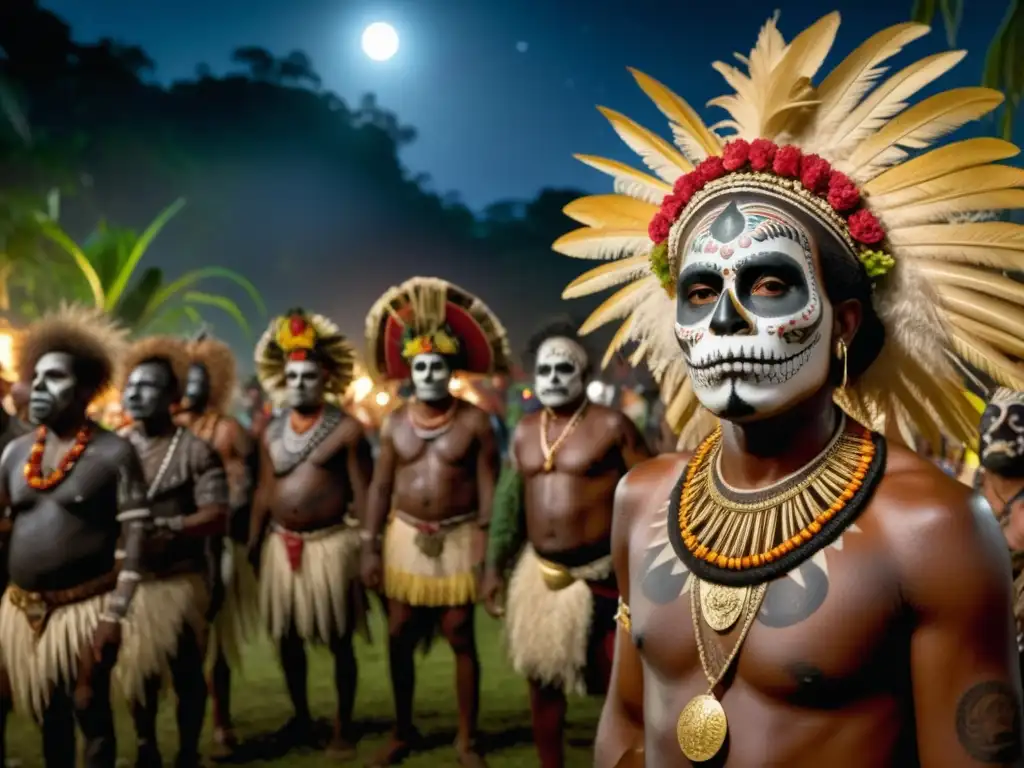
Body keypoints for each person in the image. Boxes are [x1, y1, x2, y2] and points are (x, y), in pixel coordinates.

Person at [551, 12, 1024, 766]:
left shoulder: (933, 526)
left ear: (841, 323)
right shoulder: (640, 500)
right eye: (701, 291)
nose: (728, 322)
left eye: (770, 285)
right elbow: (629, 727)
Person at [481, 318, 650, 768]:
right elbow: (507, 506)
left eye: (564, 369)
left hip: (606, 579)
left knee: (624, 684)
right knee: (543, 682)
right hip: (543, 578)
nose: (553, 378)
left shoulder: (612, 426)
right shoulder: (523, 430)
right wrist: (494, 566)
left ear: (585, 375)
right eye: (545, 370)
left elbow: (651, 492)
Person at [361, 276, 510, 767]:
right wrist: (368, 545)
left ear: (450, 371)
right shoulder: (394, 423)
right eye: (420, 365)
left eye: (437, 366)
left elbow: (490, 487)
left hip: (461, 535)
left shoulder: (474, 422)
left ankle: (467, 738)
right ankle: (402, 730)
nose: (427, 373)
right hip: (403, 536)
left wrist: (490, 559)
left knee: (460, 634)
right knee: (399, 632)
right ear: (409, 370)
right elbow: (381, 488)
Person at [0, 306, 150, 768]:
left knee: (88, 705)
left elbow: (136, 537)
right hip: (22, 608)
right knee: (49, 712)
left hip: (86, 608)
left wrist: (114, 616)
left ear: (86, 389)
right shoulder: (14, 454)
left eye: (56, 378)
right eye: (37, 376)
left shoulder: (114, 454)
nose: (40, 387)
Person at [248, 309, 372, 758]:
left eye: (309, 376)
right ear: (284, 380)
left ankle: (343, 725)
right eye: (293, 376)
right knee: (287, 638)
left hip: (330, 546)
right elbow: (264, 491)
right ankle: (301, 718)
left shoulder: (348, 430)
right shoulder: (269, 430)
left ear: (325, 379)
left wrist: (369, 548)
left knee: (339, 639)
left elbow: (365, 493)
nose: (300, 383)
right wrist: (254, 542)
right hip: (281, 545)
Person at [115, 335, 230, 768]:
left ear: (172, 398)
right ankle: (146, 745)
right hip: (132, 581)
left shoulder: (196, 450)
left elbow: (217, 513)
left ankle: (186, 752)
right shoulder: (113, 449)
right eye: (131, 385)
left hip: (180, 580)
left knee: (186, 673)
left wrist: (171, 526)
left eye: (148, 387)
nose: (135, 393)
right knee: (138, 675)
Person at [174, 330, 258, 756]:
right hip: (171, 551)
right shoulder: (163, 428)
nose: (191, 386)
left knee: (217, 641)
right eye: (184, 377)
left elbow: (243, 487)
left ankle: (221, 722)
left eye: (199, 378)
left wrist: (216, 522)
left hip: (216, 544)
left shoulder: (227, 431)